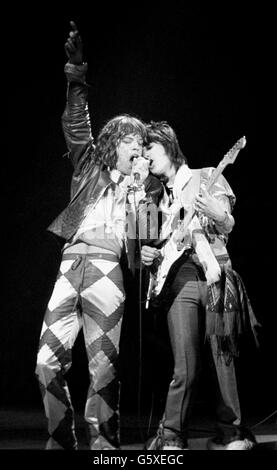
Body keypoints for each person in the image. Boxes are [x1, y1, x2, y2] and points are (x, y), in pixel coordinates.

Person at [35, 22, 161, 450]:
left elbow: (143, 242)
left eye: (142, 143)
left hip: (108, 271)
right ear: (113, 142)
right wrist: (75, 71)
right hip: (71, 267)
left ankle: (104, 448)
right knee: (46, 363)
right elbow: (76, 119)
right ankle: (61, 439)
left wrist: (142, 192)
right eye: (132, 140)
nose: (138, 148)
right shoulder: (88, 164)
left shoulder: (143, 186)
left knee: (103, 368)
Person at [141, 121, 260, 450]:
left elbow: (228, 222)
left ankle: (231, 433)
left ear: (168, 146)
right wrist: (147, 253)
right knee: (185, 366)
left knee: (223, 358)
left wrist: (218, 214)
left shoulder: (206, 175)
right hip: (179, 284)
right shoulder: (155, 199)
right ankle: (171, 437)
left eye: (150, 148)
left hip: (215, 273)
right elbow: (149, 252)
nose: (145, 156)